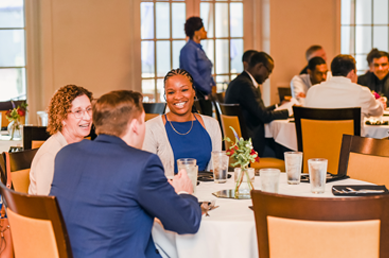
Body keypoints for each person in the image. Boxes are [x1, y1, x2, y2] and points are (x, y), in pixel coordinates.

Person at [50, 90, 202, 258]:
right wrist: (184, 192)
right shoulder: (141, 164)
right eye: (144, 121)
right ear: (135, 126)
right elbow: (187, 223)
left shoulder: (66, 154)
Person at [143, 69, 221, 174]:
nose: (178, 97)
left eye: (184, 90)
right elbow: (147, 174)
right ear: (165, 96)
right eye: (171, 92)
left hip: (206, 189)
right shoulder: (151, 128)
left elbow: (216, 172)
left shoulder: (212, 125)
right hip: (169, 190)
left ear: (193, 92)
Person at [28, 85, 93, 195]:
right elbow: (47, 205)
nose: (87, 117)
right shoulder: (50, 156)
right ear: (62, 118)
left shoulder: (83, 146)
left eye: (89, 109)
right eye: (78, 111)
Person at [225, 52, 290, 158]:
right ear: (260, 66)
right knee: (286, 152)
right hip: (250, 146)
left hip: (243, 142)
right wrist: (289, 111)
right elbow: (263, 116)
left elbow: (258, 110)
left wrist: (278, 106)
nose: (268, 76)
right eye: (268, 71)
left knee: (281, 146)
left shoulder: (241, 81)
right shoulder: (245, 85)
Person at [305, 55, 385, 129]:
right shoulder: (361, 92)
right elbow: (377, 112)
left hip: (316, 143)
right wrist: (380, 104)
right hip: (350, 144)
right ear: (352, 73)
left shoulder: (312, 91)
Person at [180, 17, 215, 116]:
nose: (206, 32)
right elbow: (192, 74)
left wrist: (212, 83)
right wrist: (208, 88)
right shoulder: (188, 50)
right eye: (203, 30)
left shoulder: (199, 49)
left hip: (204, 95)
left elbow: (206, 71)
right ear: (196, 33)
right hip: (197, 97)